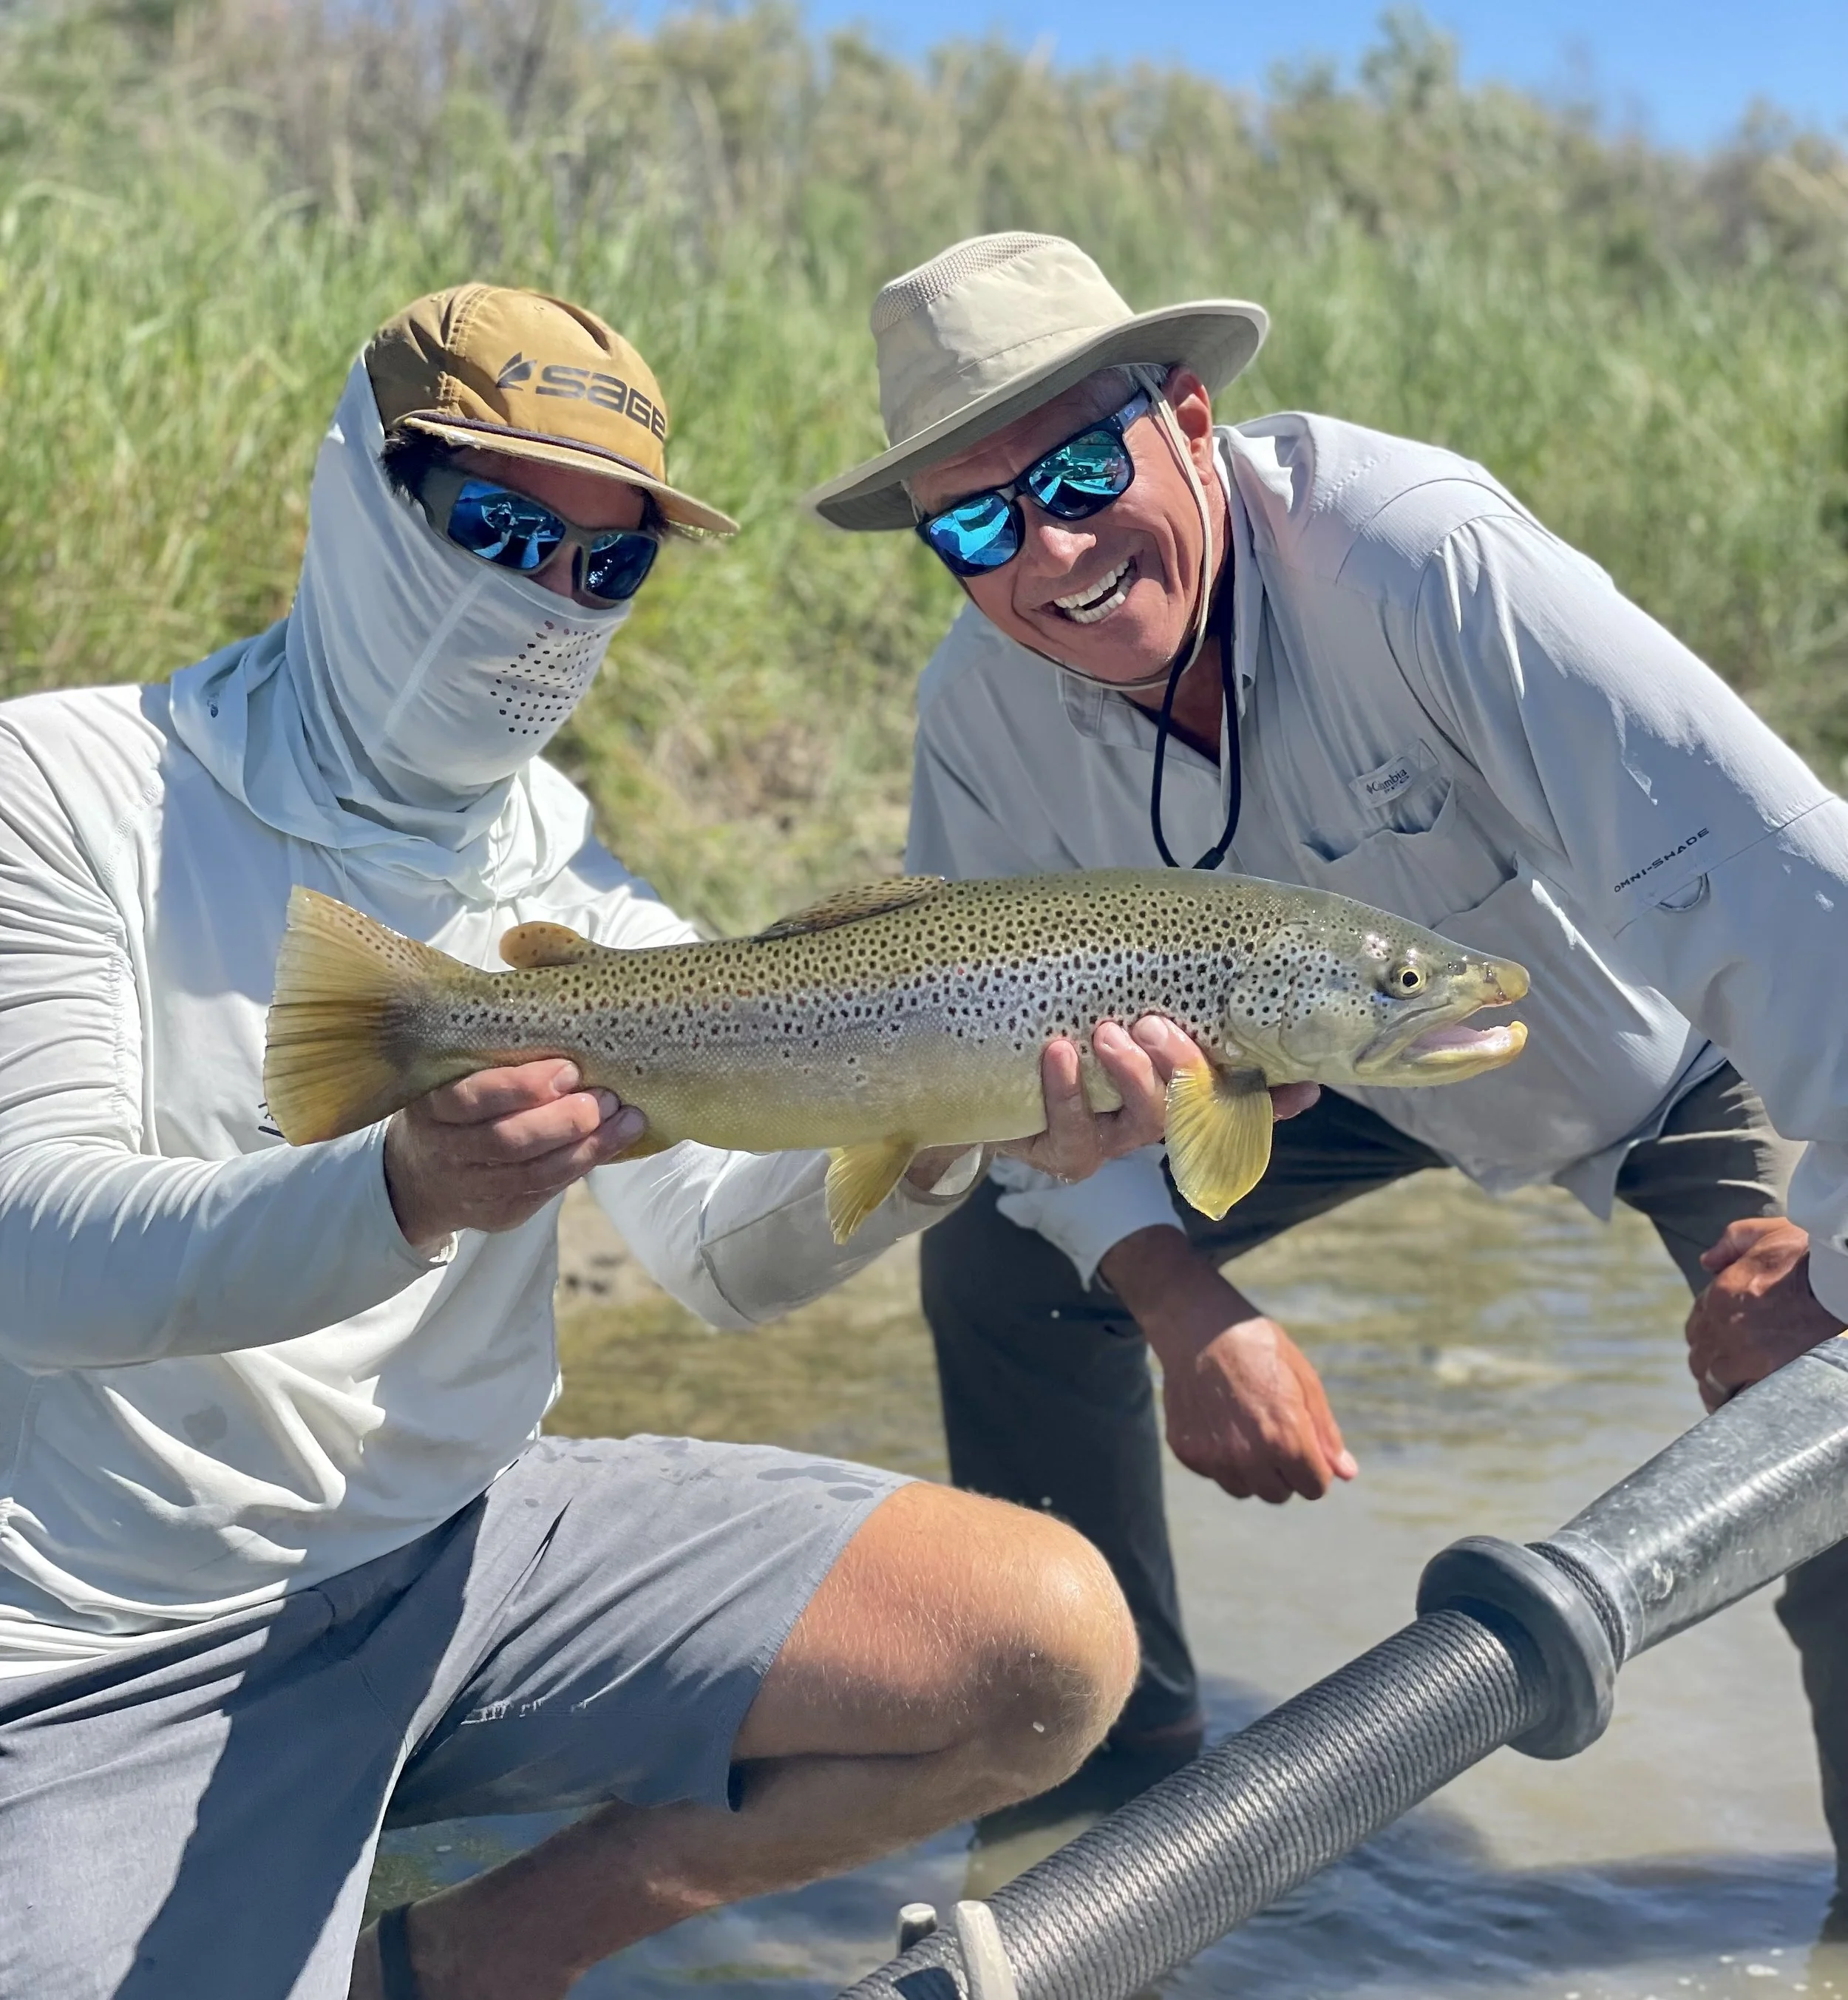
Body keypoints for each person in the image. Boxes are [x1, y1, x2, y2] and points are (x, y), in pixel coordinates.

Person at [0, 282, 1271, 2000]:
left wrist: (943, 1138)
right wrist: (396, 1186)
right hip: (112, 1638)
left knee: (1043, 1647)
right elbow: (30, 1253)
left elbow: (727, 1262)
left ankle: (474, 1948)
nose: (547, 594)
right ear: (361, 485)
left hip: (470, 1551)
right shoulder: (63, 788)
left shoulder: (569, 886)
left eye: (607, 563)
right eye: (504, 524)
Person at [804, 233, 1848, 1849]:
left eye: (1081, 463)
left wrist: (1836, 1282)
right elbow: (982, 1053)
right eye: (972, 518)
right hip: (1301, 1065)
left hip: (1632, 1061)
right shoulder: (980, 710)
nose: (1053, 546)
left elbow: (1791, 900)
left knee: (1829, 1414)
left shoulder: (1419, 562)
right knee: (1010, 1267)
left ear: (1196, 420)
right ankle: (1104, 1777)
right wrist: (1178, 1295)